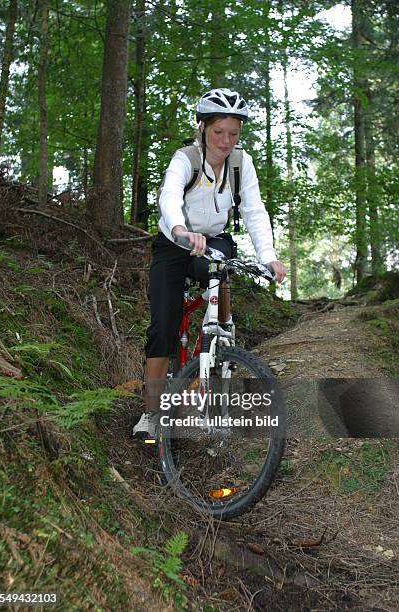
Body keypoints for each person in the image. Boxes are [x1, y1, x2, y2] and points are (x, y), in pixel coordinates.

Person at [133, 87, 287, 438]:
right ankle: (151, 414)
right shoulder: (185, 158)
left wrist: (269, 257)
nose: (226, 140)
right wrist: (180, 228)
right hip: (175, 243)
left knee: (220, 271)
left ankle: (221, 331)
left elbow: (254, 210)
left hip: (214, 242)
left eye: (233, 133)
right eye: (218, 132)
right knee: (162, 327)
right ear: (201, 126)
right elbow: (169, 195)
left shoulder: (239, 163)